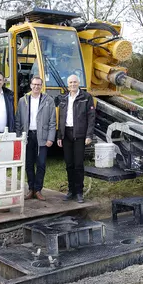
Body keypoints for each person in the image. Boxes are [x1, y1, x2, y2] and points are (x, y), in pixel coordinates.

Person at [15, 76, 56, 201]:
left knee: (41, 164)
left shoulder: (48, 100)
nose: (36, 87)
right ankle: (31, 189)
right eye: (34, 84)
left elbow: (52, 121)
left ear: (41, 86)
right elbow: (18, 121)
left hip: (42, 136)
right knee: (28, 164)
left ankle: (38, 189)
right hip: (27, 136)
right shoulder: (23, 101)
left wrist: (51, 138)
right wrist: (18, 138)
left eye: (39, 85)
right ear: (30, 85)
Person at [57, 74, 95, 203]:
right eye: (70, 83)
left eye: (75, 82)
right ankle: (71, 190)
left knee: (78, 164)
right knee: (69, 164)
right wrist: (59, 136)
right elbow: (60, 118)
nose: (72, 84)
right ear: (68, 85)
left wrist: (89, 135)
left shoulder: (86, 97)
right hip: (66, 134)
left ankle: (79, 192)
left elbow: (91, 117)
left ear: (79, 83)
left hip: (79, 134)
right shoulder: (63, 99)